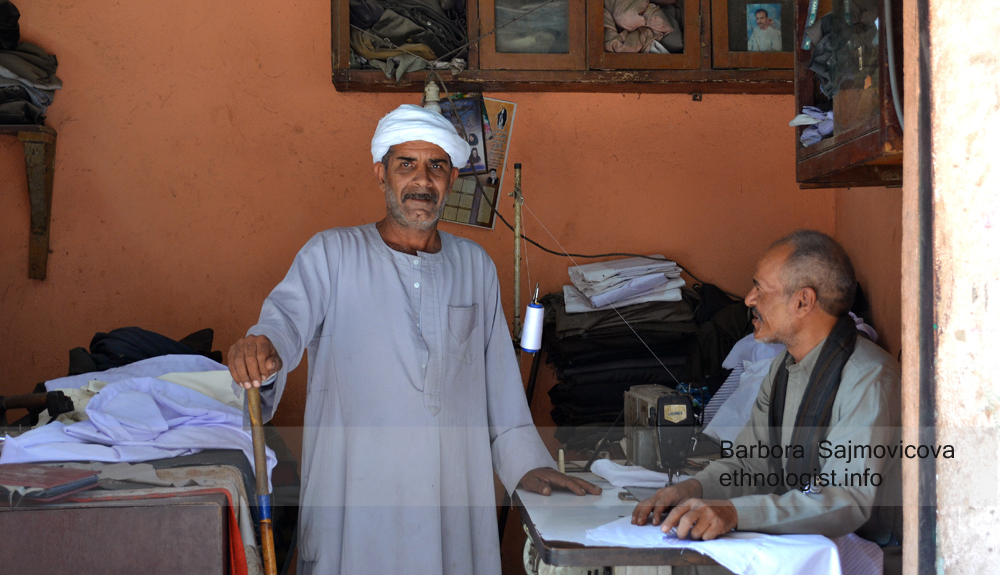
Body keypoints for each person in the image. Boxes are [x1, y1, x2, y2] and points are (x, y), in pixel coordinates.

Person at [228, 103, 600, 575]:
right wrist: (263, 347)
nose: (422, 180)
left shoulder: (475, 267)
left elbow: (501, 392)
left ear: (451, 179)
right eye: (407, 164)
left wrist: (528, 464)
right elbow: (284, 323)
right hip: (355, 511)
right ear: (380, 174)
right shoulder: (332, 254)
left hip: (451, 510)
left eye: (436, 166)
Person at [632, 230, 900, 550]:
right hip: (806, 545)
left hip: (873, 553)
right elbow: (751, 463)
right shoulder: (783, 369)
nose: (749, 299)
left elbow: (846, 500)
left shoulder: (868, 378)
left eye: (760, 288)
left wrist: (733, 512)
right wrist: (694, 488)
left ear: (803, 301)